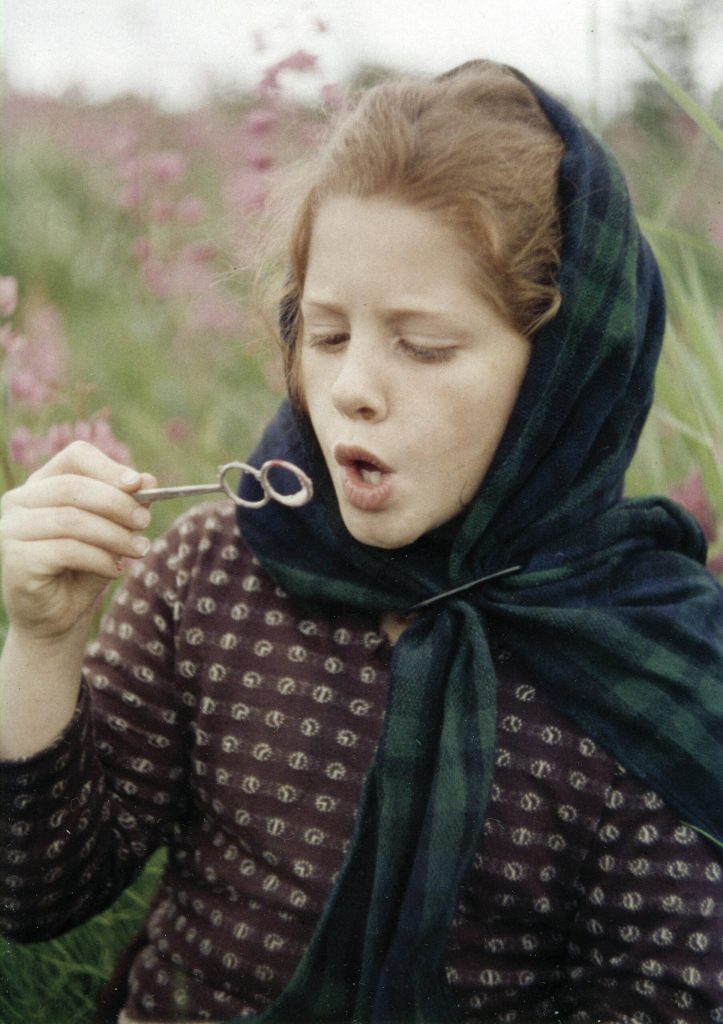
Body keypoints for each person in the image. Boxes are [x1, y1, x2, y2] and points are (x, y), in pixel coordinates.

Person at [0, 59, 722, 1024]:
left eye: (420, 345)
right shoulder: (216, 570)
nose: (351, 388)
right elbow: (35, 893)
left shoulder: (652, 667)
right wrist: (42, 644)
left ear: (561, 376)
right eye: (327, 333)